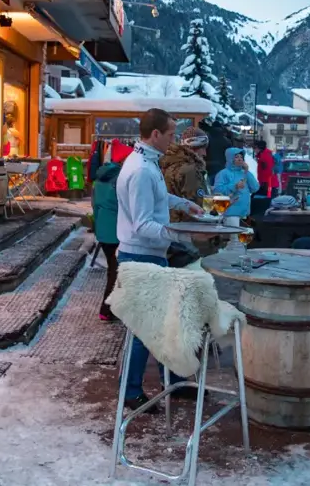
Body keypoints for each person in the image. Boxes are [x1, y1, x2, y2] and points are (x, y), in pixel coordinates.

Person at [116, 108, 204, 411]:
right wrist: (181, 235)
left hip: (148, 256)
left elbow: (158, 198)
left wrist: (184, 204)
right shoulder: (140, 169)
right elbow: (142, 224)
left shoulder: (146, 163)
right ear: (155, 134)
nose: (173, 139)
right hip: (142, 257)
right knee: (146, 331)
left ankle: (170, 382)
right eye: (170, 134)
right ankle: (130, 393)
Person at [92, 156, 126, 322]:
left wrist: (97, 228)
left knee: (113, 269)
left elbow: (95, 206)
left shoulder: (99, 181)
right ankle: (106, 309)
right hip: (117, 231)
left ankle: (112, 307)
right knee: (116, 271)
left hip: (104, 231)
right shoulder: (121, 179)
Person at [159, 126, 210, 223]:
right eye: (202, 148)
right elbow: (197, 204)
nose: (205, 153)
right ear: (194, 148)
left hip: (172, 223)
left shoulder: (172, 164)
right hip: (189, 229)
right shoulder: (190, 170)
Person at [213, 148, 259, 226]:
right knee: (233, 237)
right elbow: (217, 190)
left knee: (244, 237)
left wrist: (247, 171)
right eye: (237, 157)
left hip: (245, 214)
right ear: (230, 158)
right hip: (230, 213)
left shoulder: (244, 173)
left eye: (241, 157)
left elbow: (255, 188)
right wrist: (235, 186)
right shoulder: (223, 173)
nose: (240, 159)